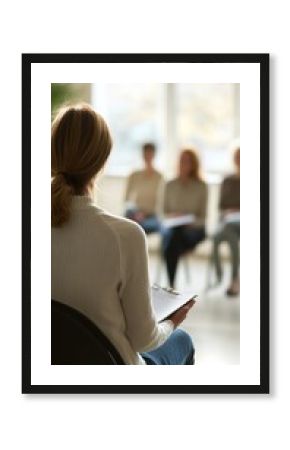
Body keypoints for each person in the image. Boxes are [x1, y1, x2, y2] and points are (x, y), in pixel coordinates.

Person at [51, 103, 195, 365]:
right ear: (102, 162)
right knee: (182, 340)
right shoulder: (125, 236)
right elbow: (144, 340)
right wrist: (173, 321)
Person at [162, 149, 208, 287]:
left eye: (187, 161)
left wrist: (191, 220)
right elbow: (163, 213)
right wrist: (173, 216)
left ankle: (171, 283)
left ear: (194, 164)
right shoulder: (169, 184)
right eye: (181, 160)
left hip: (194, 229)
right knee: (174, 236)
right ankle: (172, 282)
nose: (183, 163)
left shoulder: (202, 186)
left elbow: (203, 217)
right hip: (174, 228)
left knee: (171, 242)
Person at [212, 147, 240, 296]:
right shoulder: (227, 180)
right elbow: (220, 206)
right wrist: (227, 212)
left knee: (228, 228)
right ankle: (232, 278)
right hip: (227, 219)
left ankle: (230, 277)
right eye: (237, 156)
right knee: (220, 236)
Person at [124, 142, 164, 234]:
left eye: (150, 153)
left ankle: (137, 230)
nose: (147, 156)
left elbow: (161, 203)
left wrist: (144, 214)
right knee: (128, 217)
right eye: (145, 153)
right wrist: (136, 213)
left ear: (154, 155)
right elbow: (127, 200)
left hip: (152, 216)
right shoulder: (134, 175)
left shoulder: (160, 177)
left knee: (152, 225)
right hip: (135, 213)